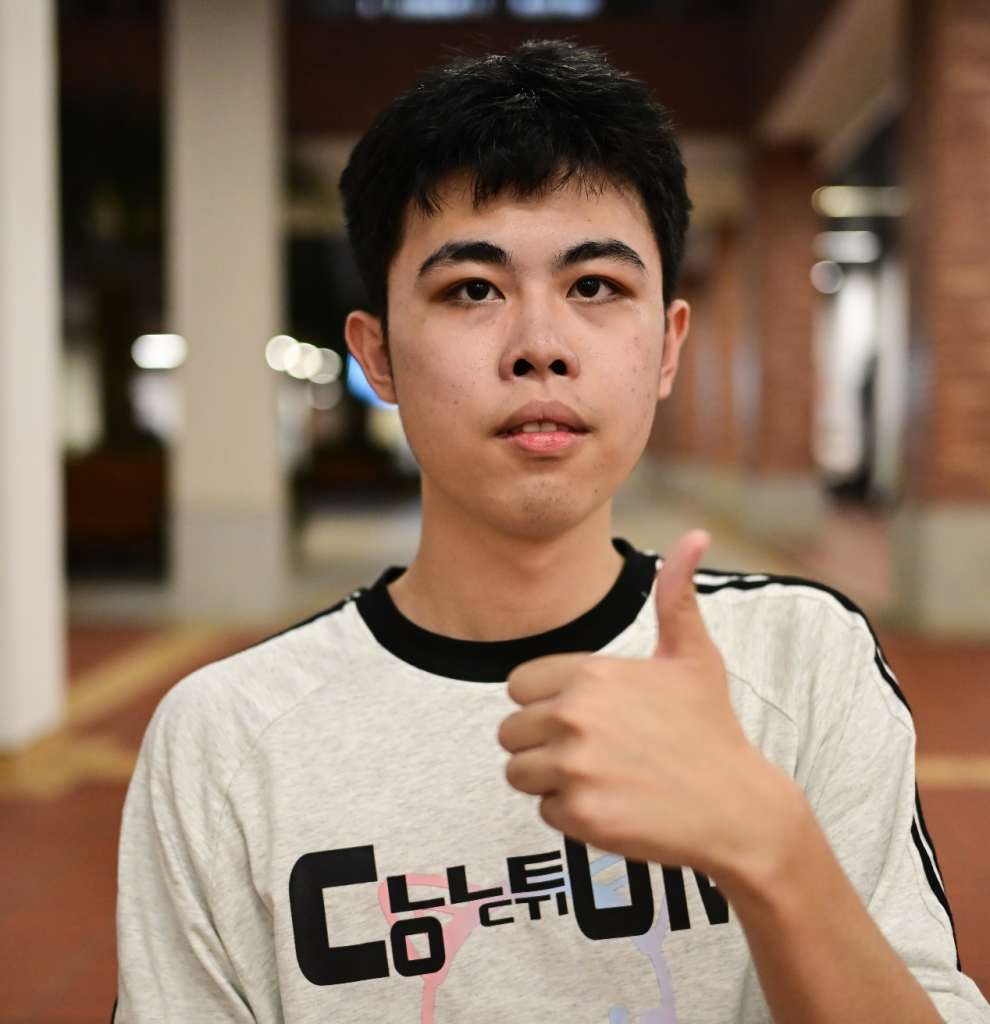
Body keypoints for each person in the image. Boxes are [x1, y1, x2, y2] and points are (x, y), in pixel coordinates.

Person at [114, 40, 989, 1024]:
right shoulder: (226, 741)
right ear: (379, 355)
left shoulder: (800, 662)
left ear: (667, 347)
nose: (540, 347)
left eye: (595, 287)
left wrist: (771, 847)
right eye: (471, 290)